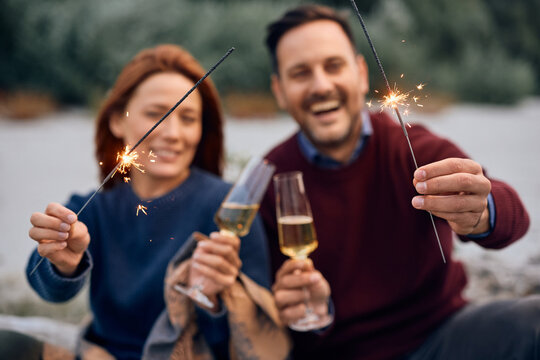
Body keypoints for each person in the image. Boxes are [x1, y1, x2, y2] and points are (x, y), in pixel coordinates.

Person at [259, 4, 538, 360]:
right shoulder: (270, 177)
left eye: (334, 66)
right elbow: (271, 317)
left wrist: (482, 212)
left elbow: (514, 219)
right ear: (279, 90)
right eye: (300, 73)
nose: (321, 85)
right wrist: (308, 315)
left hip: (441, 337)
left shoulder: (412, 148)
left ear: (361, 73)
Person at [22, 44, 272, 360]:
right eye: (156, 114)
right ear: (117, 121)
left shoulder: (231, 209)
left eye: (189, 118)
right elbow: (43, 285)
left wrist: (215, 300)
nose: (172, 133)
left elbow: (253, 336)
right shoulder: (94, 209)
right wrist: (63, 264)